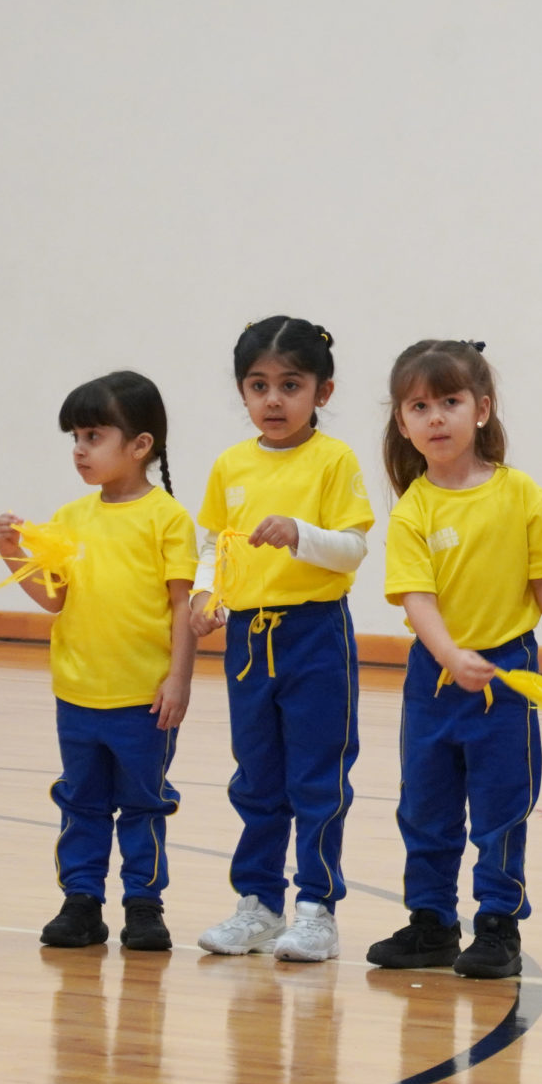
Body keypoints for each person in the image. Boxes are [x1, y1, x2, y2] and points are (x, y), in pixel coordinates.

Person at [367, 340, 542, 980]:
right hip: (434, 681)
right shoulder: (412, 510)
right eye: (419, 406)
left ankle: (497, 923)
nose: (436, 417)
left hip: (508, 673)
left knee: (501, 807)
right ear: (403, 422)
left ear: (481, 409)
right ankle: (431, 921)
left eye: (450, 401)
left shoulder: (521, 495)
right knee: (425, 806)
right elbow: (417, 599)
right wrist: (449, 655)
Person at [0, 370, 198, 951]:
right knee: (81, 802)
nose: (80, 450)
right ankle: (81, 901)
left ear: (140, 445)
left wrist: (179, 678)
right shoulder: (71, 517)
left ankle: (144, 905)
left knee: (143, 803)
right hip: (77, 693)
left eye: (94, 437)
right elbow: (54, 598)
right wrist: (11, 553)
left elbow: (183, 604)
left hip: (144, 698)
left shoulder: (167, 519)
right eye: (75, 438)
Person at [188, 317, 374, 963]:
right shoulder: (230, 464)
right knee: (257, 775)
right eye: (258, 385)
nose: (273, 399)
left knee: (318, 776)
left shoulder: (334, 459)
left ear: (323, 392)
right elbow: (213, 543)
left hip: (314, 634)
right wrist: (206, 593)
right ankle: (259, 904)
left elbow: (352, 548)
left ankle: (317, 910)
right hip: (248, 638)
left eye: (290, 385)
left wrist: (300, 534)